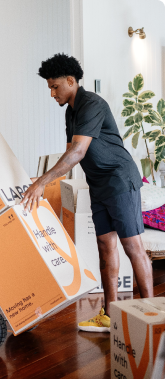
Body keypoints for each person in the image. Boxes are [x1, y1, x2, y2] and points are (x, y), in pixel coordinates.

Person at [22, 53, 153, 332]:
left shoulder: (91, 104)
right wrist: (36, 179)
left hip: (119, 180)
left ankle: (152, 318)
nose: (52, 93)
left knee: (133, 248)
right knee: (105, 248)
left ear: (71, 81)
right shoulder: (71, 111)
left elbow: (78, 153)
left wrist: (42, 182)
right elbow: (70, 152)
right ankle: (110, 314)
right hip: (99, 184)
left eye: (55, 86)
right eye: (49, 88)